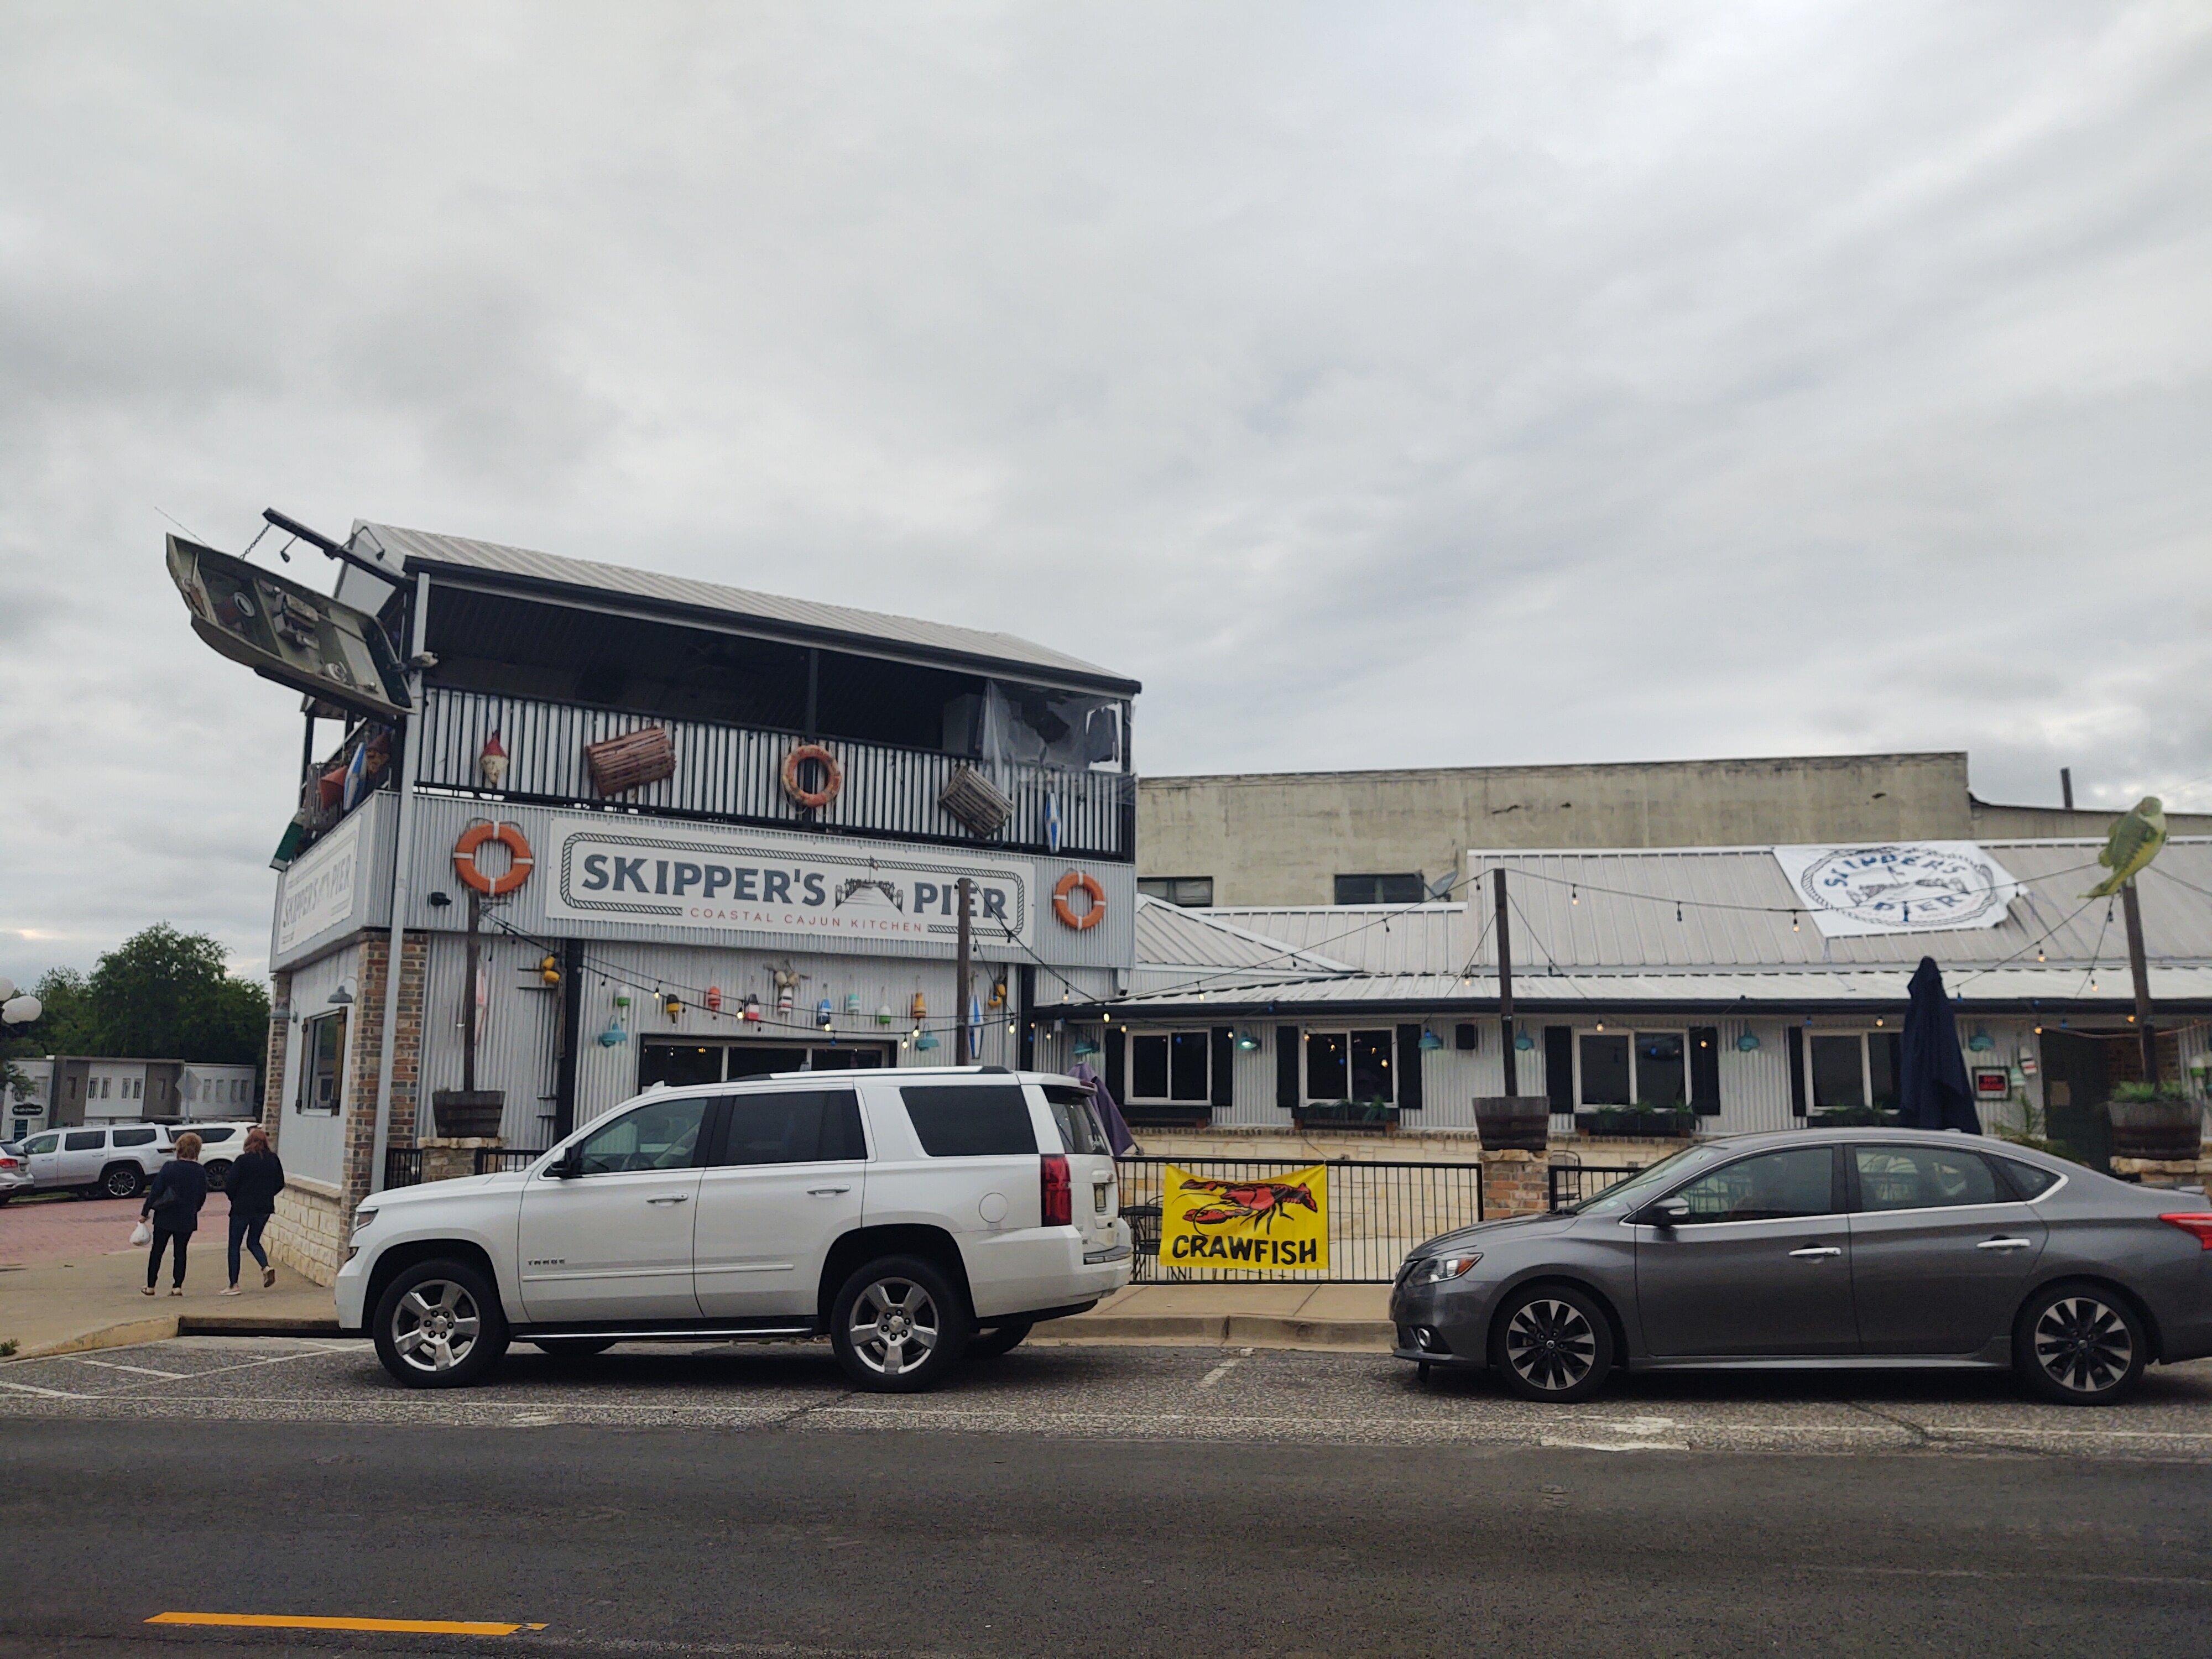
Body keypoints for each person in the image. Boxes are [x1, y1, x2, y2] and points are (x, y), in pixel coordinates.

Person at [140, 1131, 209, 1297]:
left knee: (157, 1250)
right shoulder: (200, 1171)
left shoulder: (169, 1168)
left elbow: (155, 1191)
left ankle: (151, 1286)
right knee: (181, 1252)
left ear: (179, 1148)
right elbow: (202, 1195)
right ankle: (177, 1286)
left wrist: (145, 1212)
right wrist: (195, 1209)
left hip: (165, 1215)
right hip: (187, 1217)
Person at [222, 1126, 286, 1294]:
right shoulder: (273, 1159)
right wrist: (267, 1195)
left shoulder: (242, 1161)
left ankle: (234, 1284)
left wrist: (234, 1198)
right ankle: (265, 1267)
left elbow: (230, 1185)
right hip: (264, 1208)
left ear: (248, 1143)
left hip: (242, 1208)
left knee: (234, 1245)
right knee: (253, 1241)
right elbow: (280, 1183)